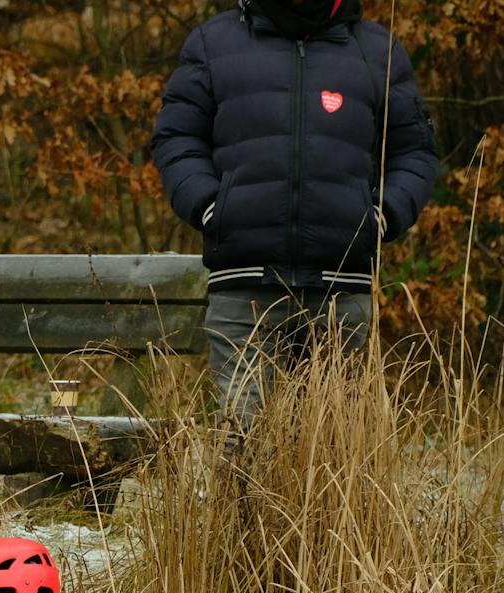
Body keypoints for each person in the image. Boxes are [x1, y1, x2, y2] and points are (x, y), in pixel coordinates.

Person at [151, 0, 439, 435]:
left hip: (342, 286)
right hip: (244, 285)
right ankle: (237, 508)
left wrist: (382, 216)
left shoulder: (379, 50)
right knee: (240, 445)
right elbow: (176, 138)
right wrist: (212, 208)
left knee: (331, 456)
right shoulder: (213, 43)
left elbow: (415, 152)